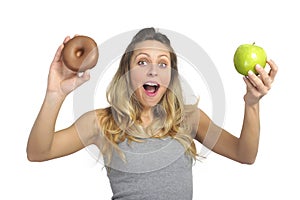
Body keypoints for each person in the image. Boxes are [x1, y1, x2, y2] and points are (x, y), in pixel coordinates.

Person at [27, 28, 278, 199]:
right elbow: (38, 152)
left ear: (171, 75)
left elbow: (244, 154)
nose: (153, 71)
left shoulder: (188, 119)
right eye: (143, 62)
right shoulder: (103, 123)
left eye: (163, 64)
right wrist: (55, 94)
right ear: (127, 71)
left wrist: (252, 102)